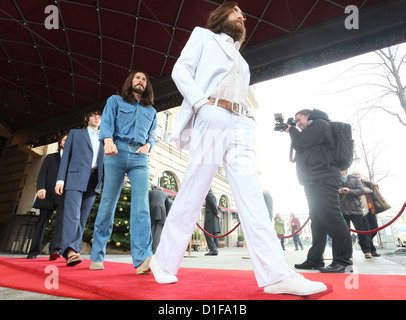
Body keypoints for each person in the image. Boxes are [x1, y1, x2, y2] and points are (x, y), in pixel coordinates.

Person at [150, 2, 327, 296]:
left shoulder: (242, 61)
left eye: (243, 13)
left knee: (252, 196)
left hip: (241, 124)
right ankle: (163, 262)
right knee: (194, 189)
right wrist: (201, 104)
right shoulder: (203, 36)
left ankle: (274, 275)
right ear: (221, 17)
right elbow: (180, 70)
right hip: (213, 115)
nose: (242, 15)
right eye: (235, 10)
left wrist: (249, 118)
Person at [89, 71, 157, 273]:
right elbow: (107, 122)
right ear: (130, 81)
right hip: (116, 152)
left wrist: (149, 145)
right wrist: (107, 140)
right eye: (138, 77)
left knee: (142, 206)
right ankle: (97, 255)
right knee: (108, 202)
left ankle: (142, 258)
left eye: (145, 79)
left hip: (139, 158)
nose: (141, 81)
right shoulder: (115, 100)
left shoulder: (151, 111)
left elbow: (152, 134)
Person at [285, 108, 353, 273]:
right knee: (317, 221)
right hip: (314, 180)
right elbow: (302, 147)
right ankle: (315, 259)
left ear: (308, 116)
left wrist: (291, 130)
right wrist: (294, 131)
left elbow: (301, 142)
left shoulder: (319, 124)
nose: (298, 123)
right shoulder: (311, 130)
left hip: (324, 178)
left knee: (332, 216)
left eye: (299, 119)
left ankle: (343, 260)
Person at [55, 110, 104, 266]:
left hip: (94, 179)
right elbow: (66, 157)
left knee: (82, 217)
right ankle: (70, 251)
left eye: (100, 116)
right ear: (86, 118)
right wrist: (60, 180)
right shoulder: (75, 134)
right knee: (72, 214)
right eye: (94, 115)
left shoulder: (105, 137)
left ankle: (74, 249)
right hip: (75, 177)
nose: (97, 118)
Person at [27, 134, 68, 260]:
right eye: (65, 140)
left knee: (61, 223)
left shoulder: (72, 160)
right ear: (60, 143)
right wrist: (40, 188)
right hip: (47, 194)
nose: (67, 142)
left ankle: (55, 250)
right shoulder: (50, 157)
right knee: (41, 223)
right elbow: (42, 174)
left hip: (63, 195)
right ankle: (33, 251)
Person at [339, 169, 373, 259]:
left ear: (345, 170)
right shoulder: (336, 180)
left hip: (355, 208)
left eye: (341, 169)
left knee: (361, 230)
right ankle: (348, 252)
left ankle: (367, 250)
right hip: (342, 209)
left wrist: (349, 191)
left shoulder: (354, 179)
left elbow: (361, 190)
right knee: (345, 233)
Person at [352, 170, 380, 257]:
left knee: (374, 228)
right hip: (362, 209)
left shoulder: (366, 182)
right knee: (366, 230)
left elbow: (375, 191)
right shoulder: (353, 183)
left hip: (371, 208)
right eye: (356, 174)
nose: (358, 175)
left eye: (359, 173)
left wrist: (375, 185)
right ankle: (371, 250)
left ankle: (363, 241)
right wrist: (368, 190)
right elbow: (360, 190)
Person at [149, 185, 170, 254]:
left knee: (152, 228)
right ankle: (155, 249)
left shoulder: (151, 192)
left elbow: (147, 202)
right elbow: (168, 206)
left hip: (152, 210)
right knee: (159, 230)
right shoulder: (165, 194)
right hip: (161, 211)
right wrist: (166, 216)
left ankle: (150, 248)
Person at [204, 189, 221, 256]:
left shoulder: (209, 195)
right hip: (214, 217)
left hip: (211, 217)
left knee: (207, 232)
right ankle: (215, 249)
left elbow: (213, 204)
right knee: (214, 233)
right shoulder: (212, 195)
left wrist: (217, 212)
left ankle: (213, 249)